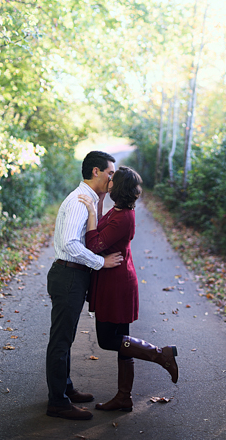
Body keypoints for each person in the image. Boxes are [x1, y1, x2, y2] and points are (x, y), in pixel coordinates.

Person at [77, 166, 179, 412]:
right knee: (122, 339)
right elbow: (101, 236)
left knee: (107, 339)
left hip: (116, 283)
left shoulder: (123, 217)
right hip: (114, 279)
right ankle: (124, 397)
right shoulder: (119, 210)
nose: (108, 179)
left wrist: (91, 211)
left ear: (118, 186)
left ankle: (160, 355)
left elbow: (93, 244)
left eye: (113, 178)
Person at [45, 150, 124, 420]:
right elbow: (69, 244)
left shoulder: (90, 198)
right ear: (96, 172)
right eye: (110, 173)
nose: (112, 179)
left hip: (73, 274)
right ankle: (57, 402)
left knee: (66, 338)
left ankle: (65, 390)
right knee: (61, 339)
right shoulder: (80, 201)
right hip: (68, 274)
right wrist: (101, 262)